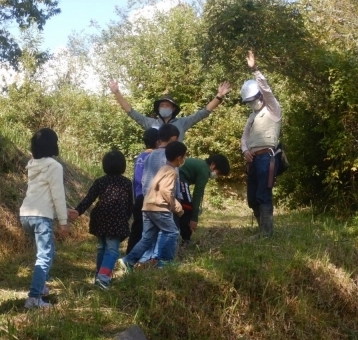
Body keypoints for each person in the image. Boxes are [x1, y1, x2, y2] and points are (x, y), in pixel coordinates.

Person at [118, 141, 187, 272]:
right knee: (172, 232)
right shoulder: (172, 172)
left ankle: (128, 261)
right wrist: (177, 207)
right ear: (179, 158)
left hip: (147, 206)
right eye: (184, 156)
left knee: (147, 238)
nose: (184, 159)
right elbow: (166, 192)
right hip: (159, 207)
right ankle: (166, 261)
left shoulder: (163, 169)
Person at [68, 150, 133, 290]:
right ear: (123, 165)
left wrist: (78, 211)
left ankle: (99, 275)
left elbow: (89, 198)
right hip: (117, 221)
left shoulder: (100, 181)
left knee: (102, 248)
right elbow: (129, 205)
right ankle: (103, 279)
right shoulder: (126, 183)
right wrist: (125, 218)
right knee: (112, 250)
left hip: (100, 218)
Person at [19, 128, 68, 309]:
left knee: (47, 251)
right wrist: (63, 222)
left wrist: (64, 210)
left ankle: (42, 286)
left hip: (26, 214)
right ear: (53, 145)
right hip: (41, 216)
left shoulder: (32, 164)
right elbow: (58, 195)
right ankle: (34, 297)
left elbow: (41, 192)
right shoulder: (54, 166)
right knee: (45, 256)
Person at [240, 51, 282, 238]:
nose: (252, 104)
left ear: (259, 96)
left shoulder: (273, 109)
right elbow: (244, 137)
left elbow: (266, 89)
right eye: (248, 102)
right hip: (253, 159)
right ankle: (261, 230)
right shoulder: (252, 116)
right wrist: (245, 151)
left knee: (263, 194)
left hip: (267, 156)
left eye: (253, 100)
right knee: (252, 197)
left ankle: (267, 233)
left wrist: (254, 69)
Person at [108, 80, 231, 142]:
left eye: (167, 105)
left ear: (173, 109)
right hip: (155, 165)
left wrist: (219, 96)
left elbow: (203, 113)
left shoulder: (182, 123)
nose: (164, 107)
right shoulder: (150, 123)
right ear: (158, 108)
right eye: (162, 105)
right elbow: (130, 111)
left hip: (176, 166)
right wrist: (117, 92)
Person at [178, 154, 231, 245]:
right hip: (180, 178)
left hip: (178, 177)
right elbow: (197, 194)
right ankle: (186, 239)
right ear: (213, 165)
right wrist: (194, 218)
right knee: (187, 207)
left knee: (184, 206)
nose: (216, 176)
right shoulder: (204, 171)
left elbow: (200, 191)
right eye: (218, 173)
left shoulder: (202, 165)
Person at [126, 128, 160, 254]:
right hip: (150, 197)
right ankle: (145, 257)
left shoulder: (140, 157)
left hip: (139, 197)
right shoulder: (155, 157)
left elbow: (135, 179)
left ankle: (129, 254)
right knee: (150, 229)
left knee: (137, 228)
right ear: (158, 142)